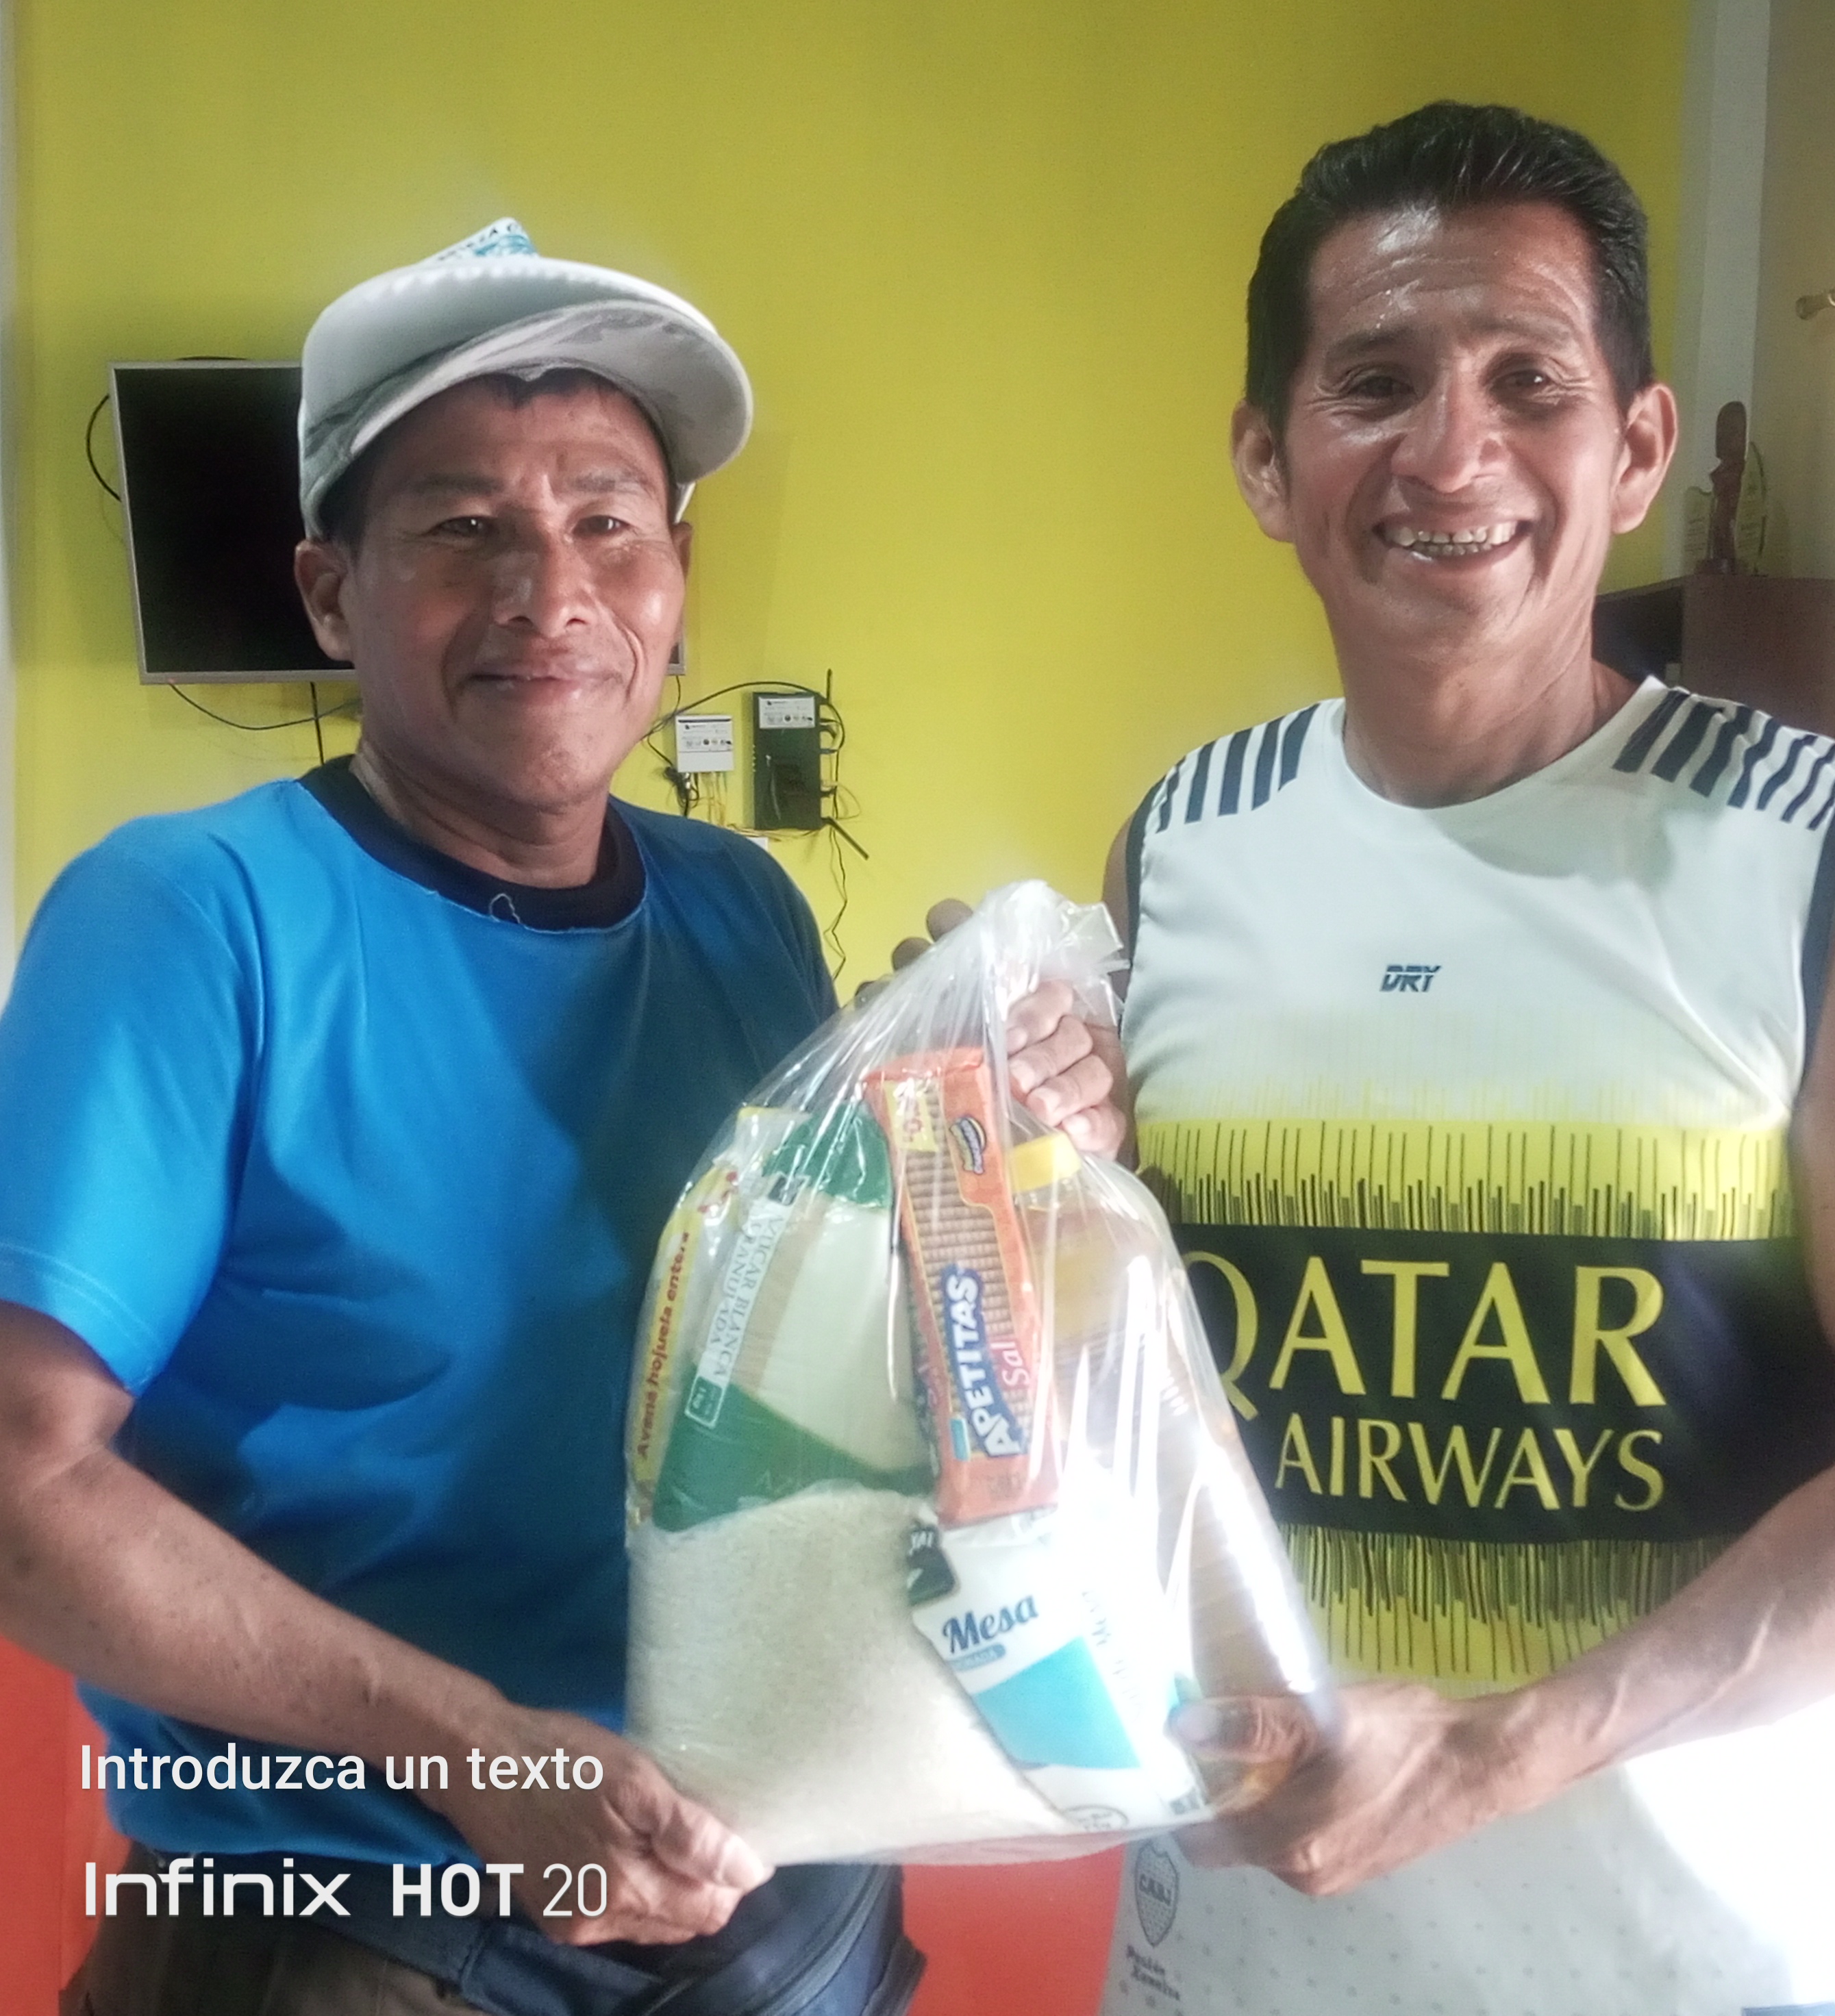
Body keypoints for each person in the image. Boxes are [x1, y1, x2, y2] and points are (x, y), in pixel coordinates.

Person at [0, 218, 1101, 2016]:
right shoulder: (196, 917)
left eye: (609, 522)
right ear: (329, 593)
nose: (550, 592)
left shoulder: (740, 908)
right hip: (351, 1913)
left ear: (678, 582)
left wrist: (1005, 1112)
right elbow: (21, 1483)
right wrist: (486, 1756)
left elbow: (839, 1362)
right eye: (462, 530)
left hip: (765, 1891)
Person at [1077, 104, 1835, 2015]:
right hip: (1253, 1947)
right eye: (1376, 382)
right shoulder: (1178, 849)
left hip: (1702, 1959)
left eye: (1532, 382)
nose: (1453, 453)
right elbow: (1132, 1381)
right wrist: (1002, 1135)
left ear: (1639, 449)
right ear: (1266, 459)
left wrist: (1508, 1746)